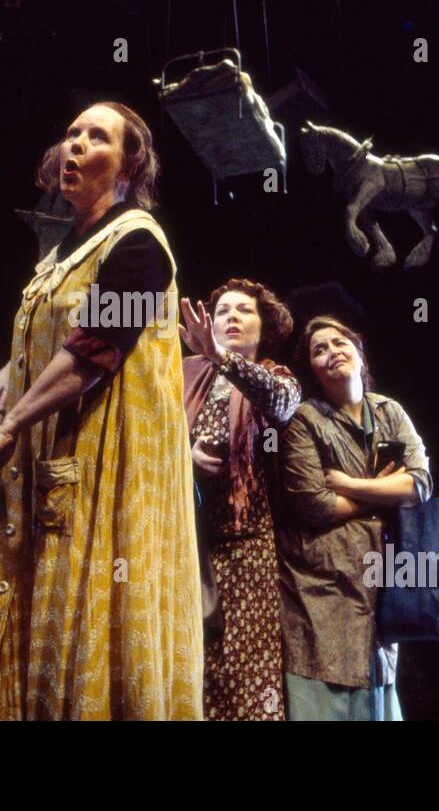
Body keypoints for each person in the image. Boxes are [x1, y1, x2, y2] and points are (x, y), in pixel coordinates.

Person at [0, 101, 203, 720]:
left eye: (96, 137)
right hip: (58, 471)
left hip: (113, 473)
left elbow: (94, 351)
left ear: (128, 164)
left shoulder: (139, 244)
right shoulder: (61, 252)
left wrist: (10, 424)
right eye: (70, 132)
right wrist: (9, 372)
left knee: (98, 619)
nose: (74, 145)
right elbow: (58, 333)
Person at [277, 315, 433, 721]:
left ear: (359, 352)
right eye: (319, 350)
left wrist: (348, 483)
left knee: (377, 694)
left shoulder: (389, 412)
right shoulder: (304, 421)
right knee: (322, 694)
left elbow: (419, 485)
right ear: (310, 368)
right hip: (320, 587)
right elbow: (316, 505)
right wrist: (382, 493)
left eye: (339, 342)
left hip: (378, 586)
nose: (332, 353)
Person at [180, 279, 300, 720]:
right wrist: (183, 454)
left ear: (264, 325)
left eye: (243, 311)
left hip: (247, 548)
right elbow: (149, 433)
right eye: (223, 310)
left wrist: (220, 356)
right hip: (186, 544)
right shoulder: (186, 373)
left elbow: (280, 403)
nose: (231, 317)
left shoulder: (277, 376)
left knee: (247, 671)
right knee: (194, 670)